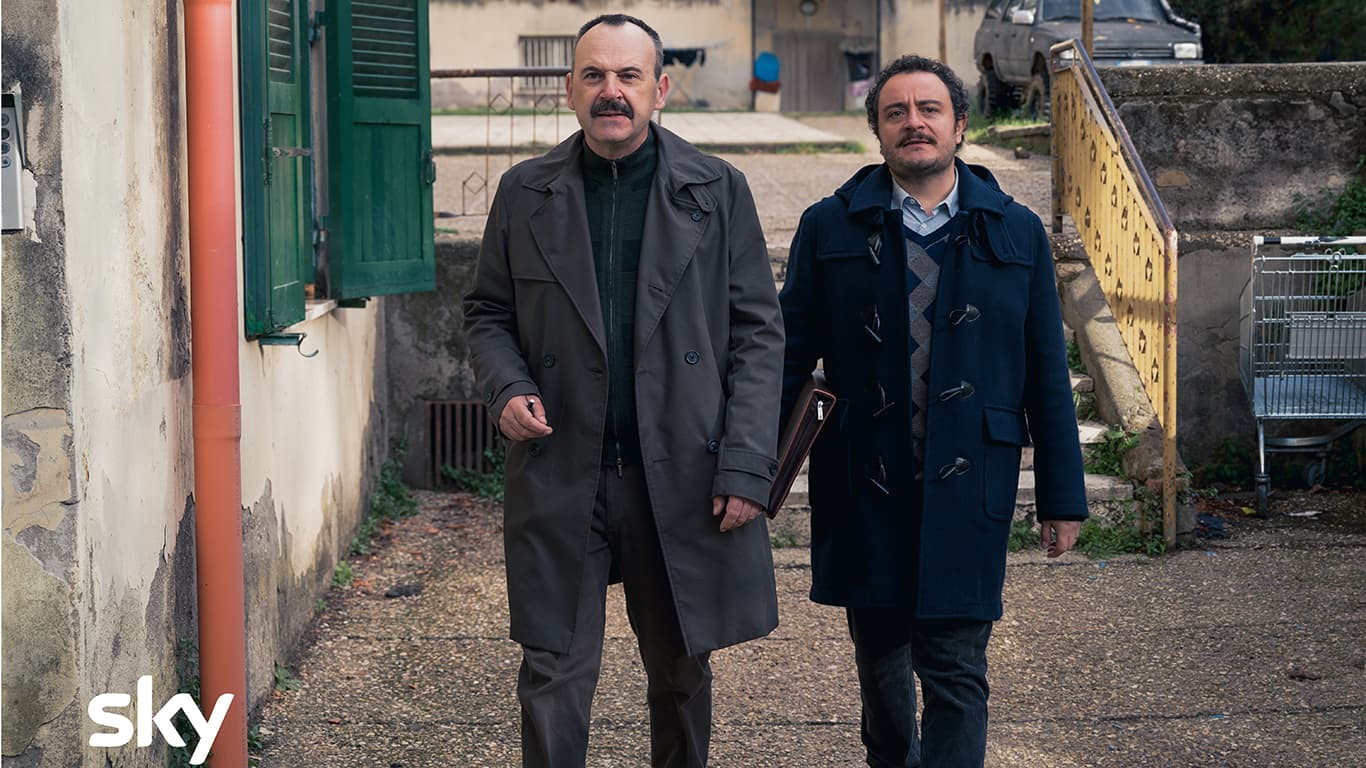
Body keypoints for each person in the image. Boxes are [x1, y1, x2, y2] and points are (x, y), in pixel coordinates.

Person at [462, 14, 784, 768]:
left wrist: (746, 465)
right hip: (560, 466)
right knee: (551, 673)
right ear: (570, 90)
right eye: (595, 75)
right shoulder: (524, 192)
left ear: (659, 89)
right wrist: (506, 387)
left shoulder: (718, 189)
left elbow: (759, 334)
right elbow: (487, 312)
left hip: (678, 471)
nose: (612, 91)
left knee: (680, 670)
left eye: (629, 76)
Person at [778, 55, 1088, 767]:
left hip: (971, 484)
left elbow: (1047, 371)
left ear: (960, 125)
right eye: (896, 112)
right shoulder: (828, 226)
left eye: (929, 109)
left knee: (956, 669)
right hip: (863, 482)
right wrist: (750, 475)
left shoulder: (1016, 231)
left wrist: (1062, 497)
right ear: (877, 131)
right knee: (881, 668)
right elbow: (785, 360)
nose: (913, 123)